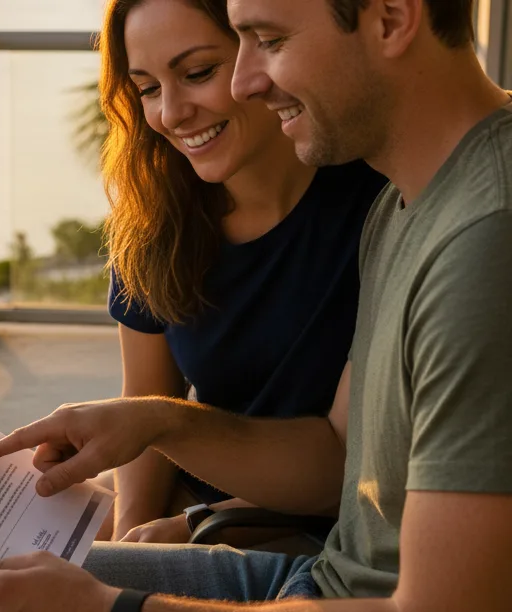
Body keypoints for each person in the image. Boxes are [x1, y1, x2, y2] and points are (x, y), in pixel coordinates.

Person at [0, 0, 512, 610]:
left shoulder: (478, 238)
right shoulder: (402, 204)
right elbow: (340, 459)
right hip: (323, 568)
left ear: (392, 19)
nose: (247, 81)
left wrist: (110, 604)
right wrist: (154, 426)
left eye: (269, 40)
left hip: (323, 571)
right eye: (147, 88)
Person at [92, 0, 385, 544]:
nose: (171, 114)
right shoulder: (155, 218)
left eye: (198, 72)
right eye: (148, 89)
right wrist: (127, 545)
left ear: (265, 54)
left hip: (320, 528)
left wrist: (195, 526)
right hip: (195, 509)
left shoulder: (377, 205)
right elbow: (144, 404)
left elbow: (349, 466)